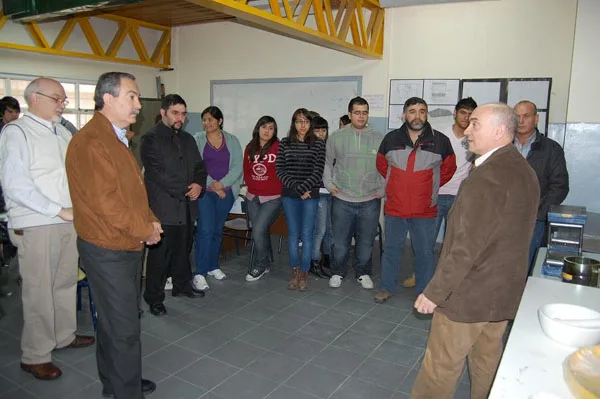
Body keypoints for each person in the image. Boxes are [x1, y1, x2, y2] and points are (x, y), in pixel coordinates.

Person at [411, 103, 540, 399]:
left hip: (468, 297)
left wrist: (435, 292)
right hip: (501, 294)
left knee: (439, 368)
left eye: (475, 124)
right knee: (486, 363)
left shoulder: (489, 175)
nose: (467, 130)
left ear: (498, 130)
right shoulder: (523, 170)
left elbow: (466, 246)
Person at [66, 72, 160, 399]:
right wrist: (144, 229)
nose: (138, 105)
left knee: (113, 323)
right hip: (108, 247)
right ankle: (126, 391)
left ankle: (119, 383)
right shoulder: (92, 141)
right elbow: (106, 204)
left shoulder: (114, 136)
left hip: (123, 242)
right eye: (132, 97)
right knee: (123, 328)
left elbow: (133, 191)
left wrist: (149, 221)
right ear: (108, 98)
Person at [0, 78, 94, 380]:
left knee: (64, 283)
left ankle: (64, 335)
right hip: (38, 223)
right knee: (39, 291)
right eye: (58, 98)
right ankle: (36, 354)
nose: (63, 104)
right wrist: (57, 210)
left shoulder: (61, 133)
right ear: (34, 99)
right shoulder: (16, 132)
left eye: (64, 99)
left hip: (68, 221)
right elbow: (14, 184)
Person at [375, 97, 456, 303]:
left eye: (422, 111)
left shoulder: (440, 141)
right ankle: (387, 287)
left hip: (425, 209)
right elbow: (382, 165)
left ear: (426, 114)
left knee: (425, 253)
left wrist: (429, 186)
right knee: (391, 250)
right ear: (404, 114)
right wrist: (396, 186)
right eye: (412, 111)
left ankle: (424, 291)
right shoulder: (391, 139)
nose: (417, 116)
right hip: (395, 207)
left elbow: (448, 168)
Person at [141, 94, 207, 317]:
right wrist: (187, 188)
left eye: (183, 113)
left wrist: (198, 184)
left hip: (187, 207)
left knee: (183, 250)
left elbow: (200, 166)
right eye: (175, 113)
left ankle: (182, 286)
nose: (180, 118)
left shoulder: (188, 139)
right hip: (163, 208)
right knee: (160, 258)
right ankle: (154, 298)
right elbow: (157, 174)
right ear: (163, 113)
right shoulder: (150, 139)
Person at [403, 97, 478, 289]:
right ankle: (419, 275)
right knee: (425, 241)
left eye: (470, 114)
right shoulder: (439, 136)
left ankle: (447, 281)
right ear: (455, 113)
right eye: (463, 112)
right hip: (435, 195)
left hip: (461, 197)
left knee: (454, 243)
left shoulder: (476, 138)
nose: (466, 117)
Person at [325, 97, 385, 290]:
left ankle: (363, 272)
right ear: (350, 114)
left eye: (365, 112)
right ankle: (337, 272)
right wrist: (329, 184)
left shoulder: (379, 137)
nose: (361, 116)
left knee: (366, 242)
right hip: (342, 199)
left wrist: (383, 188)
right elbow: (326, 162)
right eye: (357, 112)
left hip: (370, 199)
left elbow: (387, 166)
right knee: (340, 242)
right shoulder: (336, 136)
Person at [513, 100, 569, 270]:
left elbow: (560, 186)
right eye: (517, 116)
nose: (521, 121)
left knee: (527, 266)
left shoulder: (551, 149)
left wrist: (539, 213)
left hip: (534, 220)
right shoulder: (503, 147)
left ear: (536, 119)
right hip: (503, 218)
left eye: (526, 116)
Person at [192, 106, 243, 291]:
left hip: (226, 193)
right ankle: (199, 272)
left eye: (211, 119)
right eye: (204, 119)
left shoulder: (232, 140)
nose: (207, 123)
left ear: (220, 121)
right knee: (205, 230)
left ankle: (213, 266)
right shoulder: (197, 139)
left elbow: (238, 166)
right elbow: (195, 166)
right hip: (205, 192)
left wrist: (222, 185)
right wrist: (214, 184)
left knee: (216, 230)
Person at [276, 108, 325, 291]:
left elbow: (317, 172)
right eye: (298, 121)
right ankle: (295, 270)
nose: (302, 125)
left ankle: (305, 272)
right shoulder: (285, 143)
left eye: (305, 121)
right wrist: (298, 190)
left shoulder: (319, 144)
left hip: (310, 196)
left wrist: (304, 189)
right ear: (293, 123)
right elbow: (280, 170)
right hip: (290, 196)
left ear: (310, 124)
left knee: (307, 234)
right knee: (293, 234)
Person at [243, 115, 282, 281]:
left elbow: (282, 172)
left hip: (272, 198)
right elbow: (247, 171)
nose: (267, 131)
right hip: (252, 197)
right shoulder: (250, 147)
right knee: (260, 230)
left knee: (258, 230)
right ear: (258, 128)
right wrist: (254, 189)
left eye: (271, 128)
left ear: (274, 131)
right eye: (264, 127)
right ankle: (265, 263)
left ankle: (260, 265)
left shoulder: (279, 147)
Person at [310, 115, 333, 278]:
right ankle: (314, 262)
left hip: (332, 193)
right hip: (318, 194)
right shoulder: (309, 148)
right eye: (316, 130)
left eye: (323, 130)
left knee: (330, 229)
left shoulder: (330, 147)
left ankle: (327, 259)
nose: (320, 133)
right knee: (320, 230)